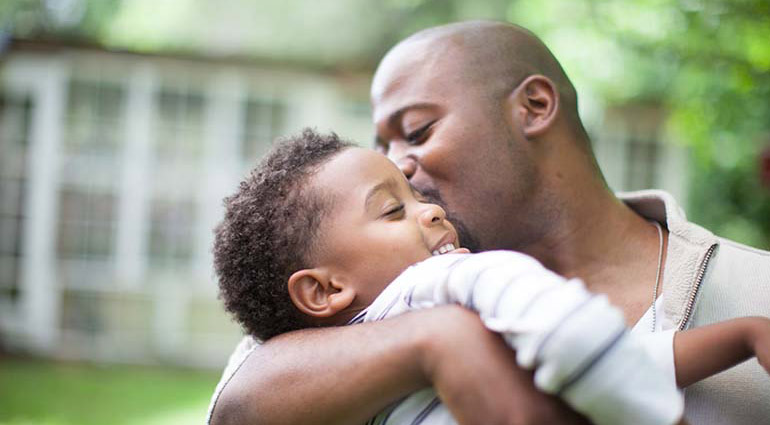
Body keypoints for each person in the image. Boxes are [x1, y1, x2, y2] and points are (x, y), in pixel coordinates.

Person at [209, 21, 770, 425]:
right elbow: (235, 409)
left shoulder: (755, 289)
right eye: (385, 148)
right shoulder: (337, 313)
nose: (400, 162)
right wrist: (434, 339)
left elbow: (609, 359)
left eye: (418, 130)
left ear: (533, 107)